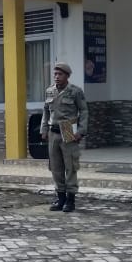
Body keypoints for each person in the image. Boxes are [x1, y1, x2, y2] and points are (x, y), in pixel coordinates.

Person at [40, 62, 89, 213]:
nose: (56, 77)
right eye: (55, 74)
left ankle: (70, 200)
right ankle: (60, 198)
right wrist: (44, 129)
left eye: (60, 74)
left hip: (68, 129)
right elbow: (46, 112)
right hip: (53, 132)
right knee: (56, 167)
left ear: (67, 76)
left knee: (70, 166)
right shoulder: (49, 91)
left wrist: (81, 131)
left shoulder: (75, 92)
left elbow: (84, 111)